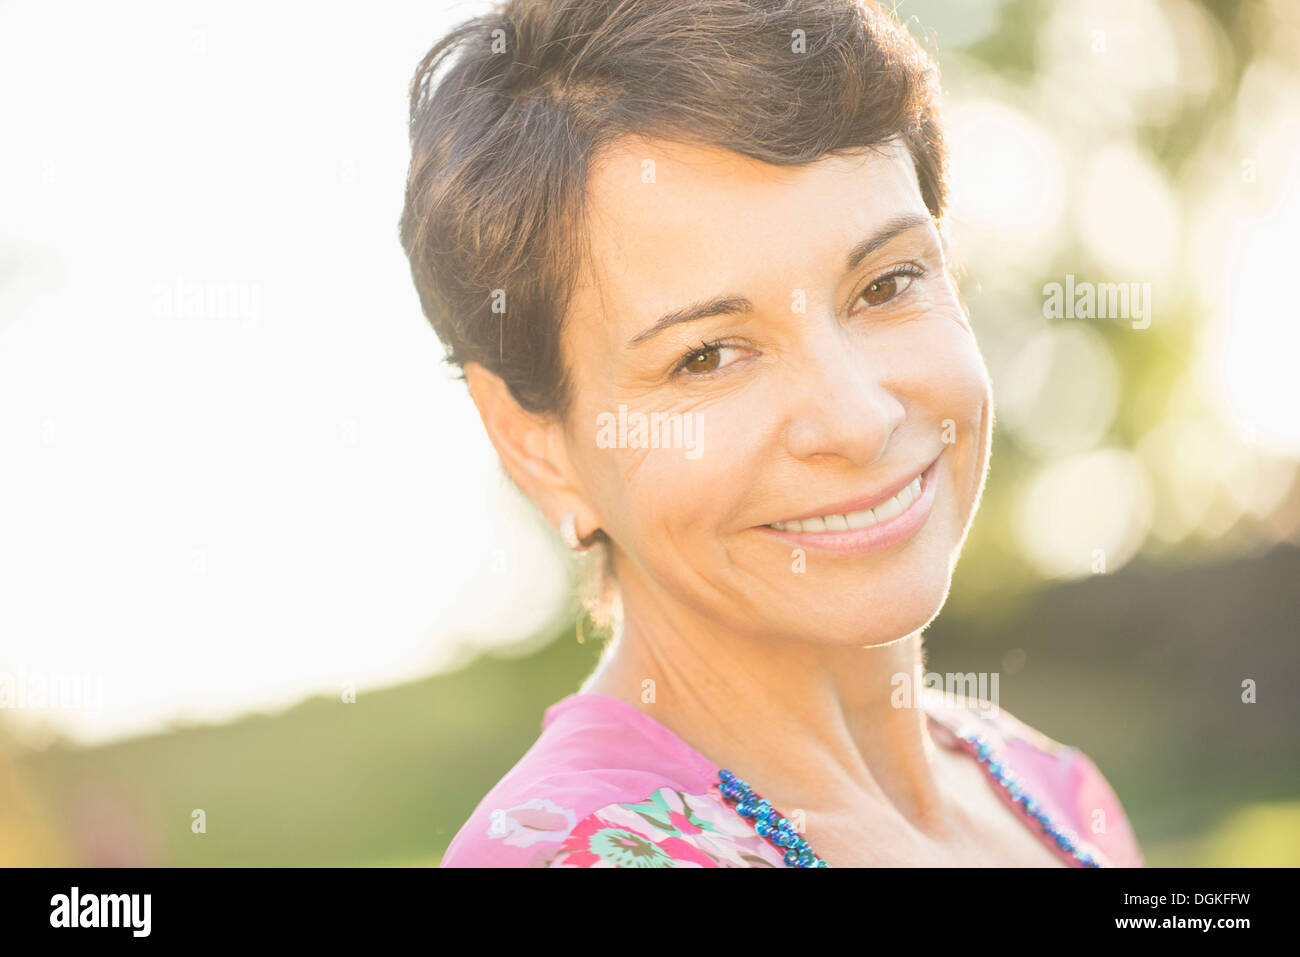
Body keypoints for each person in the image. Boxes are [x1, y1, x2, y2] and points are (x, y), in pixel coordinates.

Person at [399, 0, 1144, 867]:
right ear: (535, 443)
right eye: (708, 355)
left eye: (885, 284)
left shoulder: (1056, 792)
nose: (859, 419)